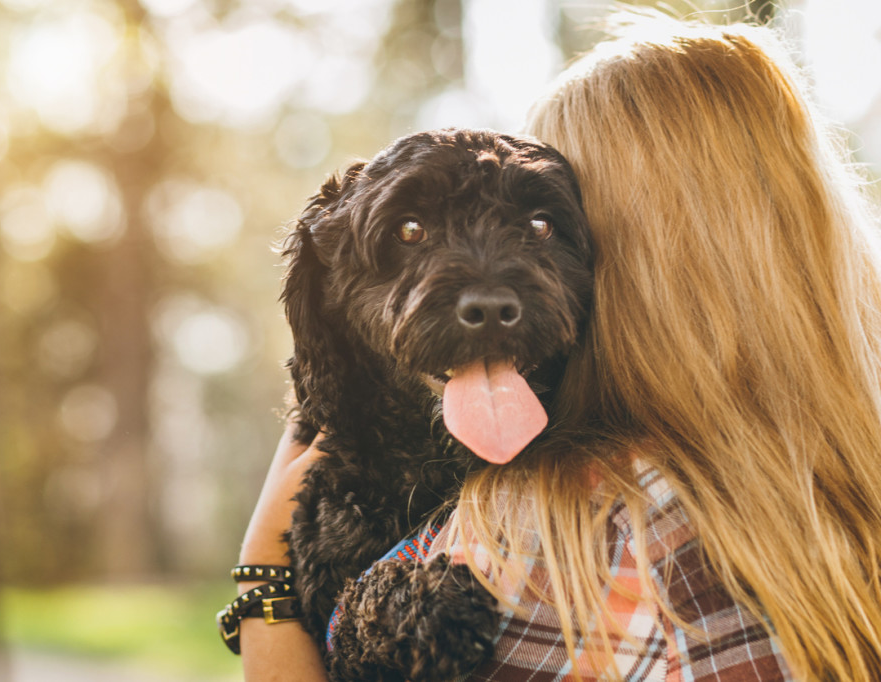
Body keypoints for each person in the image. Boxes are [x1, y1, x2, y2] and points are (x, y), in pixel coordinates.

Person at [232, 10, 881, 681]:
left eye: (541, 225)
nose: (491, 284)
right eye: (416, 232)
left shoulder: (556, 535)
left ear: (632, 257)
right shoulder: (845, 479)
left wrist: (263, 574)